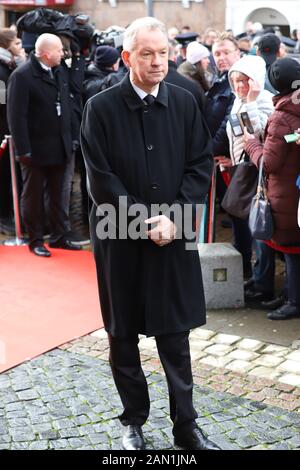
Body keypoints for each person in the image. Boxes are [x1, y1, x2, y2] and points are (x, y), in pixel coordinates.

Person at [81, 17, 219, 451]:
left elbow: (200, 167)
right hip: (118, 235)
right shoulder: (99, 107)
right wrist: (143, 221)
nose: (158, 61)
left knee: (175, 335)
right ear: (127, 57)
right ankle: (132, 422)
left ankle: (186, 426)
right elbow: (100, 180)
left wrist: (175, 218)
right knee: (123, 335)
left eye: (163, 53)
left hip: (174, 234)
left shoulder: (185, 101)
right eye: (147, 53)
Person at [7, 33, 82, 257]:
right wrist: (23, 150)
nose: (63, 53)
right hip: (35, 149)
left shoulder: (59, 71)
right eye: (60, 50)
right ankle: (35, 240)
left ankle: (59, 236)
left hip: (61, 146)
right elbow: (16, 116)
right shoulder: (22, 76)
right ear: (47, 53)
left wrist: (72, 137)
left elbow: (68, 104)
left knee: (59, 195)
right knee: (33, 196)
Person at [244, 58, 300, 320]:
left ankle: (294, 301)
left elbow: (270, 163)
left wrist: (252, 145)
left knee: (291, 249)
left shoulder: (281, 116)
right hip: (294, 191)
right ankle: (289, 293)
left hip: (286, 193)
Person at [222, 55, 274, 279]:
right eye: (236, 81)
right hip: (242, 168)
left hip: (259, 173)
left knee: (260, 226)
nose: (241, 86)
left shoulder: (264, 100)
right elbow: (236, 135)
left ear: (256, 80)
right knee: (248, 224)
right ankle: (257, 275)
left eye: (246, 80)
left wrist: (252, 101)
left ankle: (262, 278)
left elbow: (257, 133)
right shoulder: (237, 100)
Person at [0, 28, 25, 235]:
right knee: (4, 176)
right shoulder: (2, 68)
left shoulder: (12, 64)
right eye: (16, 43)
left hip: (11, 131)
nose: (20, 47)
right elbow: (3, 101)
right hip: (3, 131)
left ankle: (12, 213)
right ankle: (4, 215)